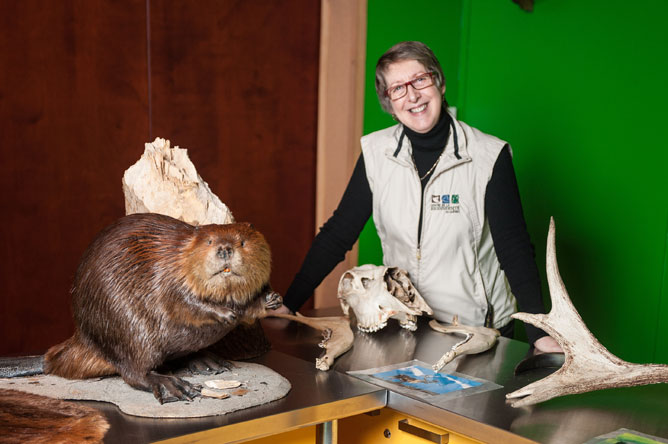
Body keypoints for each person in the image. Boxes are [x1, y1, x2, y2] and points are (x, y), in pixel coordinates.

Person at [277, 41, 561, 353]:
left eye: (420, 80)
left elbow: (514, 247)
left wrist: (538, 333)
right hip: (403, 322)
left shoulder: (488, 155)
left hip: (477, 329)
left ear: (439, 82)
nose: (412, 95)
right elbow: (338, 233)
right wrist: (289, 303)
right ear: (388, 101)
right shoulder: (376, 153)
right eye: (397, 88)